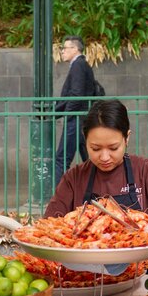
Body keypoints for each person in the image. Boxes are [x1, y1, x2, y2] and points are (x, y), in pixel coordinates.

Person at [44, 99, 148, 226]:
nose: (104, 157)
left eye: (113, 148)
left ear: (126, 138)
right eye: (95, 148)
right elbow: (49, 225)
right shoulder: (73, 178)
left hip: (141, 258)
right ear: (85, 139)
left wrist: (145, 227)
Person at [53, 35, 97, 186]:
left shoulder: (78, 65)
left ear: (75, 49)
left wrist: (67, 114)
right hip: (80, 118)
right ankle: (98, 192)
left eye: (64, 48)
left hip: (77, 118)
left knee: (61, 159)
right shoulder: (80, 64)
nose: (62, 52)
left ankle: (57, 197)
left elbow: (77, 94)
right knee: (90, 160)